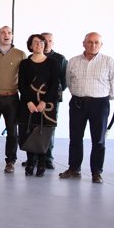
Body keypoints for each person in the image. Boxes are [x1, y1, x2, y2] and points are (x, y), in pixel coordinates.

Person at [61, 32, 114, 183]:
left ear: (101, 45)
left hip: (99, 104)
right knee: (75, 137)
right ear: (83, 43)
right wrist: (79, 93)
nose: (93, 45)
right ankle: (74, 168)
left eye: (96, 42)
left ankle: (96, 172)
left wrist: (109, 98)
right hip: (77, 103)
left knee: (98, 140)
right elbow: (68, 81)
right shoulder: (73, 61)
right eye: (89, 42)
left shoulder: (109, 62)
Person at [17, 34, 59, 177]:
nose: (39, 45)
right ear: (30, 46)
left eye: (41, 42)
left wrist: (43, 102)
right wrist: (29, 102)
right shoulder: (24, 63)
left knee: (43, 133)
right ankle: (30, 162)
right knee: (28, 133)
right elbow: (21, 85)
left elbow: (54, 85)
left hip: (47, 106)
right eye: (35, 42)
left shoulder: (53, 63)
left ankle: (42, 163)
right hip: (28, 104)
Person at [0, 26, 26, 173]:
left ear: (12, 36)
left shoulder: (20, 54)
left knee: (12, 131)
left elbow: (24, 78)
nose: (6, 35)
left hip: (12, 98)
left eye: (9, 33)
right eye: (3, 33)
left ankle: (10, 161)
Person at [41, 32, 68, 169]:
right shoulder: (32, 58)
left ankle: (48, 158)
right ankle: (34, 158)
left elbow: (64, 80)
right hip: (35, 100)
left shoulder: (60, 59)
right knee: (34, 127)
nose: (46, 43)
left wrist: (53, 93)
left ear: (53, 42)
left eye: (50, 41)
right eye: (44, 40)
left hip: (52, 100)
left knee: (49, 128)